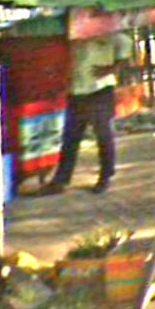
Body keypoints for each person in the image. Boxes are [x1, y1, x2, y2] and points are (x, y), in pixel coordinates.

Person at [40, 32, 133, 195]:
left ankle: (105, 176)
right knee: (70, 138)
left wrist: (112, 68)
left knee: (103, 135)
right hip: (77, 90)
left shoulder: (107, 32)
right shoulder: (75, 34)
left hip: (100, 89)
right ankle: (61, 180)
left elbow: (126, 43)